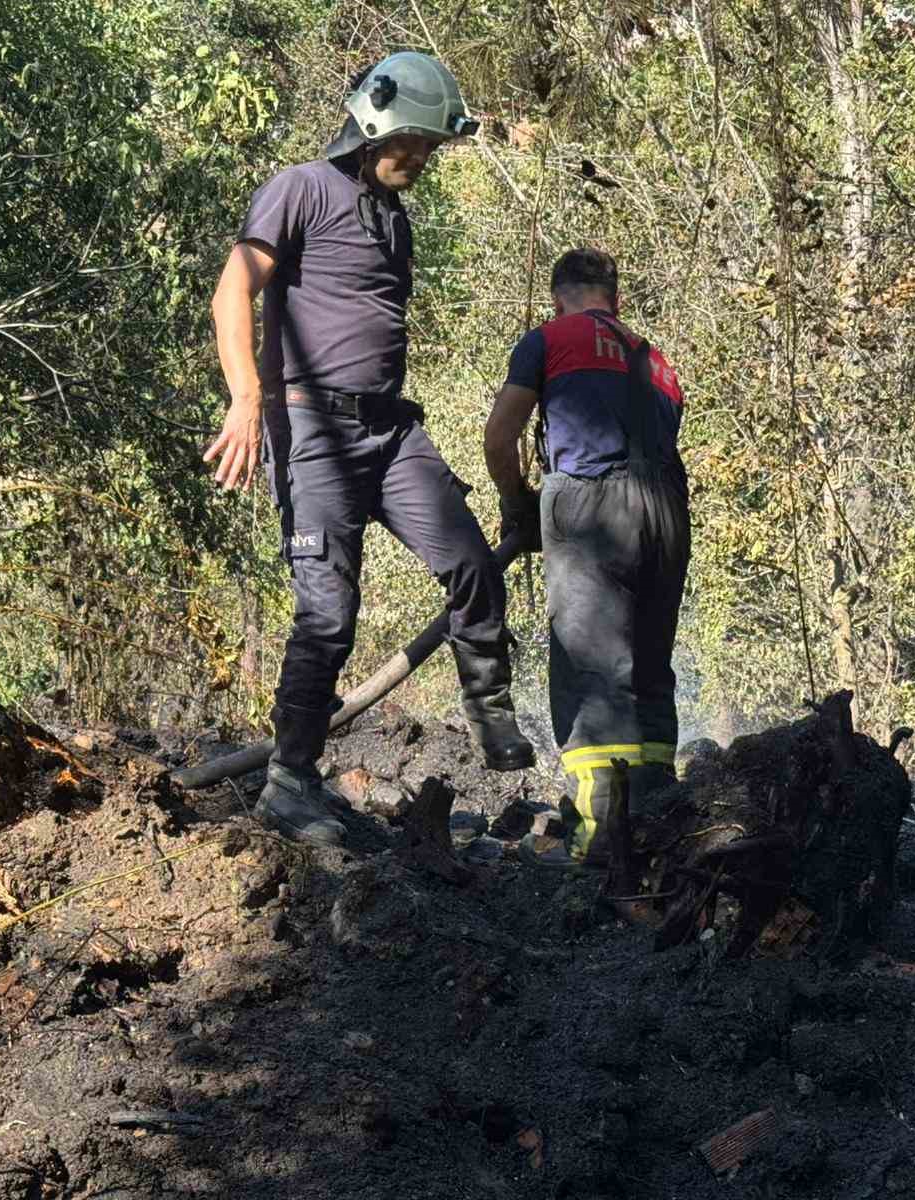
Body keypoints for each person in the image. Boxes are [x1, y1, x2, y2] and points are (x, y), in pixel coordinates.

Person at [206, 52, 534, 846]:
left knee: (470, 561)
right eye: (413, 142)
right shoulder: (301, 189)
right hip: (312, 426)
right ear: (372, 120)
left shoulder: (394, 216)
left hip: (392, 430)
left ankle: (490, 711)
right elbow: (232, 290)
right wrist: (247, 400)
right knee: (328, 612)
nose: (420, 159)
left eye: (430, 148)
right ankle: (290, 782)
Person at [484, 248, 691, 867]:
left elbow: (502, 435)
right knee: (650, 666)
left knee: (591, 669)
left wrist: (518, 503)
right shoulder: (654, 359)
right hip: (667, 511)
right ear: (616, 300)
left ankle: (598, 841)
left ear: (558, 298)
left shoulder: (548, 340)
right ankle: (655, 821)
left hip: (590, 504)